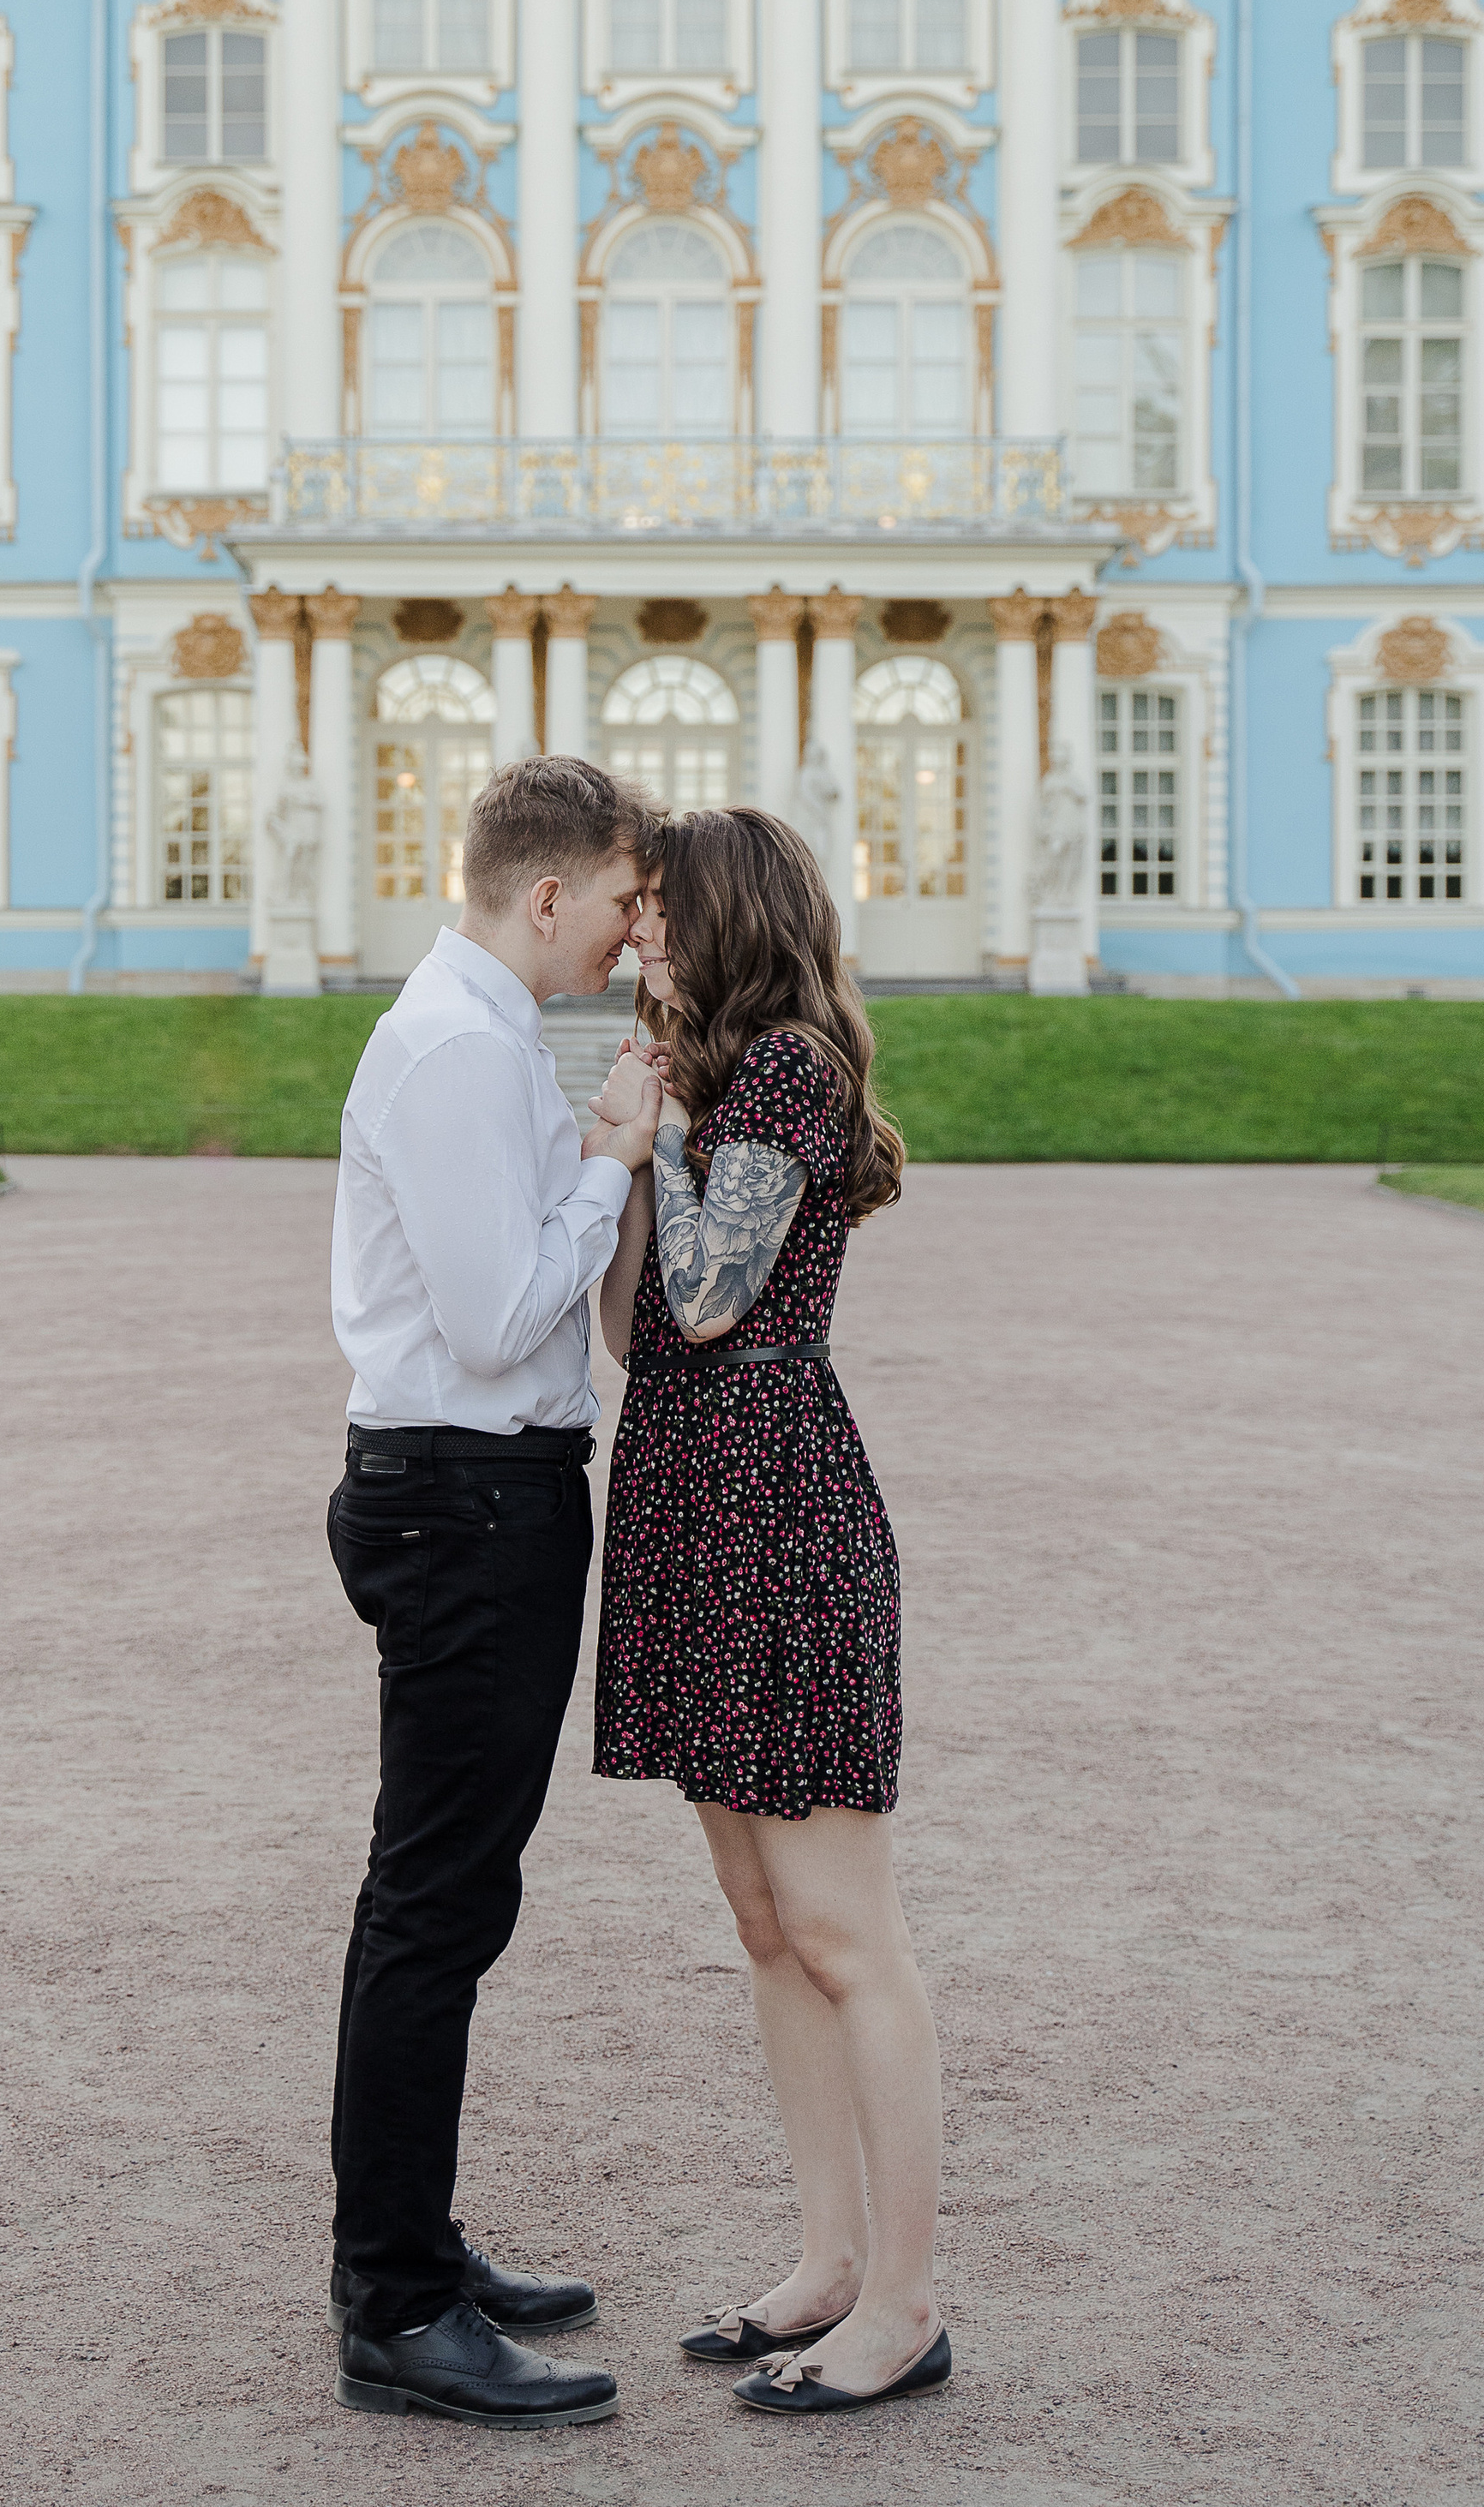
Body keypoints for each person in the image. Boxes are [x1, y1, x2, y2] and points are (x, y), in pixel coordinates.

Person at [589, 805, 950, 2422]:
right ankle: (820, 2264)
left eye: (659, 911)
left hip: (778, 1505)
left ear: (725, 920)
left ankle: (903, 2305)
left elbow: (714, 1300)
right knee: (759, 1922)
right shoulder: (717, 1083)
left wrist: (643, 1135)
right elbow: (630, 1329)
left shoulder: (791, 1067)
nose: (636, 934)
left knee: (841, 1931)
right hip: (686, 1489)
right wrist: (633, 1155)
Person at [325, 754, 666, 2432]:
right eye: (617, 903)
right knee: (437, 1903)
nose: (625, 936)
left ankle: (411, 2254)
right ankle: (393, 2301)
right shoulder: (463, 1050)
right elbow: (493, 1314)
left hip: (476, 1501)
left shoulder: (481, 1032)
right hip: (463, 1504)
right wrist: (610, 1167)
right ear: (548, 895)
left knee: (444, 1897)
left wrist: (591, 1153)